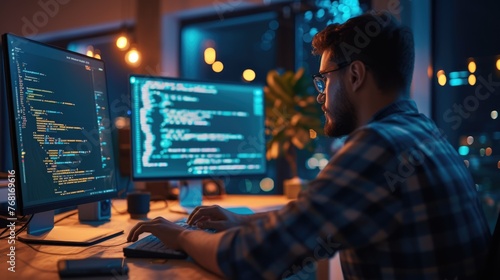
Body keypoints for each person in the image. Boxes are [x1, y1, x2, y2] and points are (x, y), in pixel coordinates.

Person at [128, 11, 491, 279]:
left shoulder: (379, 145)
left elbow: (248, 259)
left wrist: (181, 235)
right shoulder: (425, 133)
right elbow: (327, 215)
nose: (321, 96)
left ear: (355, 74)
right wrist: (244, 219)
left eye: (324, 80)